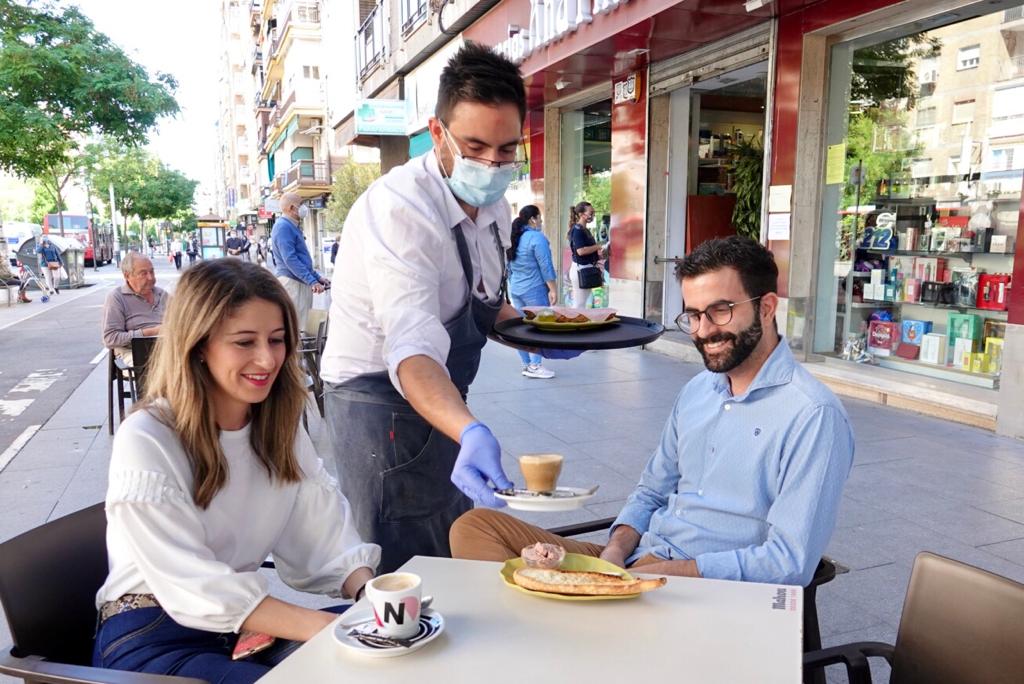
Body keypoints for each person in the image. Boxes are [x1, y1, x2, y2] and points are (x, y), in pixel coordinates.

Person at [451, 236, 855, 588]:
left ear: (767, 308)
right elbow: (650, 491)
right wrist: (614, 550)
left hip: (703, 586)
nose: (703, 330)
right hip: (638, 562)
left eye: (720, 311)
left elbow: (790, 563)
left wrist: (664, 572)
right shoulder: (699, 391)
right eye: (693, 315)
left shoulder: (812, 415)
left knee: (537, 600)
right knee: (475, 526)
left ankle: (557, 629)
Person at [320, 43, 579, 574]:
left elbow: (485, 306)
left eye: (506, 151)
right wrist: (472, 430)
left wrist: (541, 329)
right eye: (475, 146)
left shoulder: (495, 204)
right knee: (408, 569)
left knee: (453, 545)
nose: (491, 164)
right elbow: (412, 346)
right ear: (438, 133)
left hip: (445, 400)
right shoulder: (401, 210)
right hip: (378, 404)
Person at [92, 259, 380, 683]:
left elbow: (319, 531)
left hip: (238, 627)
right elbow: (191, 585)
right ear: (199, 345)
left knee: (400, 652)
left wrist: (371, 596)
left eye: (278, 339)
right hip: (153, 639)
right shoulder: (149, 435)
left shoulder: (277, 424)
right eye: (245, 342)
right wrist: (329, 629)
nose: (267, 359)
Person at [507, 204, 557, 379]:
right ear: (533, 219)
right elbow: (546, 265)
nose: (541, 221)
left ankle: (527, 364)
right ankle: (536, 365)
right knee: (541, 326)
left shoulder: (514, 237)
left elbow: (508, 265)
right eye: (540, 218)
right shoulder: (536, 238)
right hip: (534, 289)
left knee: (522, 327)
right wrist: (553, 289)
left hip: (516, 288)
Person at [271, 192, 329, 334]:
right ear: (292, 208)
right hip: (293, 283)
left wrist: (317, 278)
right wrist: (312, 281)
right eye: (301, 203)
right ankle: (298, 357)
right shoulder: (283, 227)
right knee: (299, 328)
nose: (304, 207)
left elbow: (301, 259)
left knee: (303, 325)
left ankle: (302, 356)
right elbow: (290, 259)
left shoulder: (290, 226)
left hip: (298, 281)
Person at [101, 253, 170, 365]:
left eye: (152, 271)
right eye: (143, 273)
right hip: (134, 352)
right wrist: (152, 332)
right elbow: (110, 339)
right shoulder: (117, 298)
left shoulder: (162, 295)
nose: (151, 277)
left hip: (167, 347)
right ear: (127, 276)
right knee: (160, 365)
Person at [567, 201, 607, 308]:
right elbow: (581, 251)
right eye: (591, 212)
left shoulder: (585, 230)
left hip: (587, 268)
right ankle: (575, 323)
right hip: (581, 270)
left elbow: (587, 252)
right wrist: (598, 246)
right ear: (581, 214)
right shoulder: (577, 230)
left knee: (584, 303)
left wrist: (600, 255)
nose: (592, 215)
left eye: (593, 212)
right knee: (579, 304)